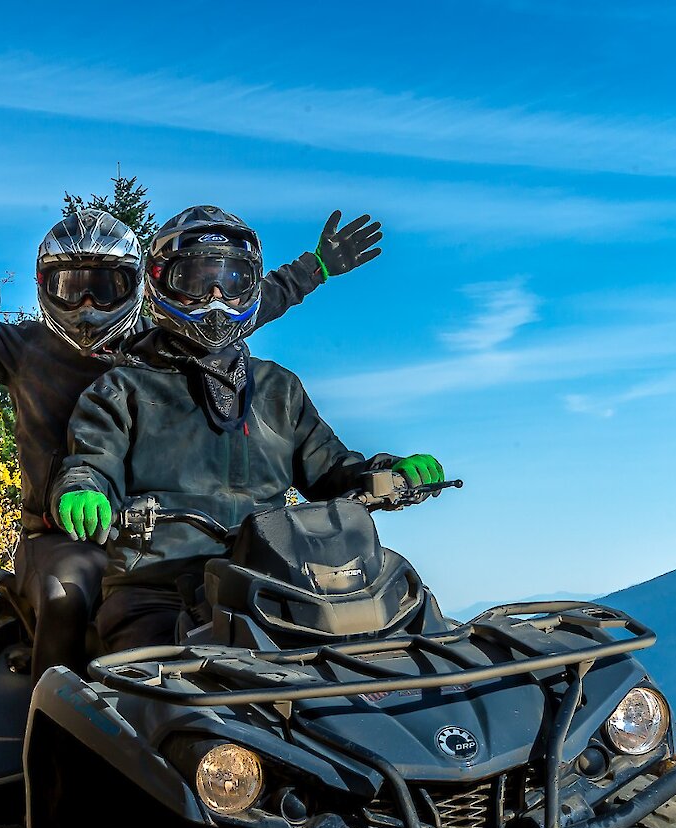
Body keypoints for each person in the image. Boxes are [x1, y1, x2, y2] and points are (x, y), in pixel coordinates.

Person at [0, 199, 384, 677]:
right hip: (59, 534)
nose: (88, 303)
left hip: (161, 534)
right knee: (68, 596)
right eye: (71, 286)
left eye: (107, 286)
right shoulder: (18, 348)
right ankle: (50, 721)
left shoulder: (162, 341)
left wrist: (318, 267)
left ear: (140, 286)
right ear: (46, 288)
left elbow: (239, 302)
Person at [53, 206, 444, 652]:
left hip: (278, 583)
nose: (216, 299)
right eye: (196, 283)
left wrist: (389, 472)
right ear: (161, 282)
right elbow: (91, 458)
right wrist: (84, 488)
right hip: (159, 586)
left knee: (400, 652)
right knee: (152, 689)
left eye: (233, 282)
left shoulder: (279, 388)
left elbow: (331, 469)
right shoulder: (122, 387)